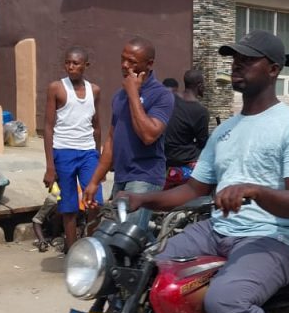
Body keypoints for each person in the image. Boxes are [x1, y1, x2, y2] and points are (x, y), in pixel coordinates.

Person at [120, 30, 289, 313]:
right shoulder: (225, 130)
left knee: (225, 300)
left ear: (274, 69)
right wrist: (144, 199)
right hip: (218, 230)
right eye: (234, 58)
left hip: (271, 237)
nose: (238, 64)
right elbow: (195, 189)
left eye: (249, 58)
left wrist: (254, 191)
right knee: (145, 273)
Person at [82, 38, 174, 231]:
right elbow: (111, 141)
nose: (125, 65)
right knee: (109, 235)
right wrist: (94, 181)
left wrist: (133, 93)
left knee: (124, 239)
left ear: (149, 64)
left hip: (144, 177)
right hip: (122, 177)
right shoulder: (119, 96)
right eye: (123, 59)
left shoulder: (162, 95)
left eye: (132, 61)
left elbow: (148, 135)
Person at [43, 46, 101, 251]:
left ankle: (91, 247)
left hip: (88, 153)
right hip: (63, 151)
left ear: (86, 65)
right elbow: (48, 128)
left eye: (75, 63)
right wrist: (50, 166)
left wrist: (99, 158)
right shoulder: (57, 88)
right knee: (68, 206)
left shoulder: (94, 90)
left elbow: (96, 126)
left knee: (94, 202)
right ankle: (72, 248)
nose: (70, 66)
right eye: (68, 62)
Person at [162, 68, 209, 188]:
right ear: (199, 85)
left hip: (164, 153)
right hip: (181, 157)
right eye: (203, 84)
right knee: (210, 156)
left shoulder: (171, 97)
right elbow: (202, 142)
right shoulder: (200, 111)